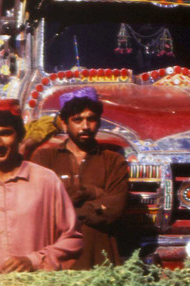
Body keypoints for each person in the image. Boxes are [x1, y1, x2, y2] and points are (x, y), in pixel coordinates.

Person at [30, 87, 129, 269]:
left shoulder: (113, 161)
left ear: (98, 122)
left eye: (91, 119)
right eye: (77, 120)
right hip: (55, 257)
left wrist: (66, 208)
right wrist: (94, 193)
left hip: (100, 256)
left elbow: (114, 209)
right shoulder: (44, 158)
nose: (85, 126)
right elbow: (41, 204)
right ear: (64, 123)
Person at [0, 99, 81, 273]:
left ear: (20, 136)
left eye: (5, 134)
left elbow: (72, 239)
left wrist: (33, 261)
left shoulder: (45, 181)